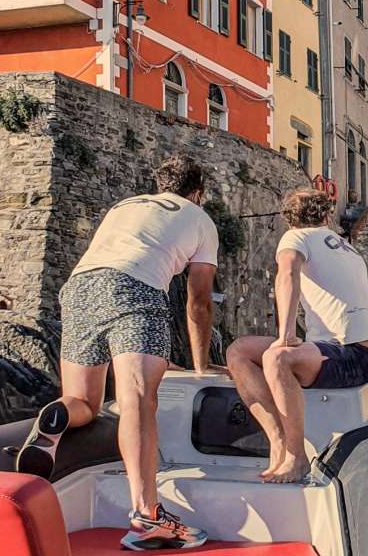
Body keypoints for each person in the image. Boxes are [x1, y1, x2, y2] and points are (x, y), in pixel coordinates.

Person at [16, 154, 220, 550]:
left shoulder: (126, 206)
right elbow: (198, 301)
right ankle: (149, 516)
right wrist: (200, 364)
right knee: (138, 400)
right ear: (198, 193)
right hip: (136, 289)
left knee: (84, 402)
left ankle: (56, 414)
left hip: (79, 288)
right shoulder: (199, 217)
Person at [226, 189, 368, 484]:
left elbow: (287, 274)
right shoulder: (346, 248)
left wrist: (285, 335)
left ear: (288, 220)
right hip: (352, 353)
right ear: (326, 215)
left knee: (277, 357)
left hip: (348, 355)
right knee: (239, 351)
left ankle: (296, 457)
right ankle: (278, 440)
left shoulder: (295, 238)